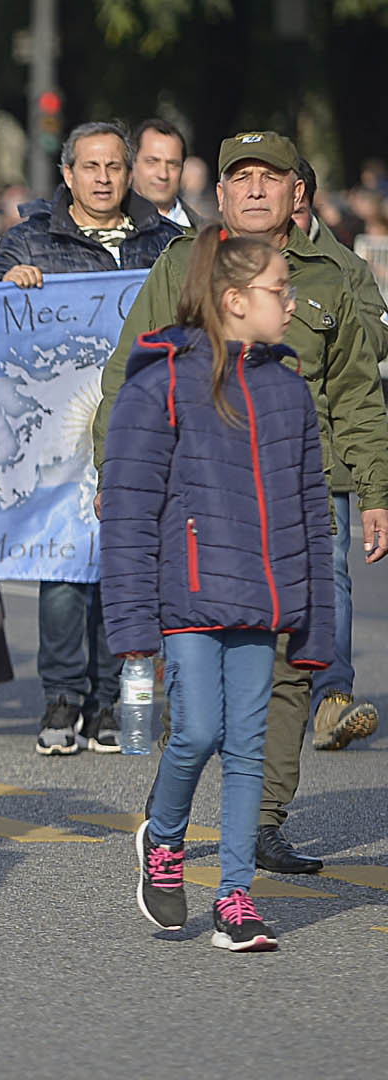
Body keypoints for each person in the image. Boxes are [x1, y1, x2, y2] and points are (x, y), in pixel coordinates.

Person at [95, 132, 388, 875]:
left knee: (294, 664)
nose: (255, 189)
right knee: (199, 700)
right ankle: (173, 821)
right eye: (241, 178)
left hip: (304, 497)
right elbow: (131, 375)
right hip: (203, 499)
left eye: (271, 177)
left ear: (298, 192)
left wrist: (378, 491)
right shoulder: (181, 265)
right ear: (220, 193)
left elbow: (358, 391)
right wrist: (116, 470)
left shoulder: (339, 274)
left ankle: (261, 825)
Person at [104, 229, 333, 952]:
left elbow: (310, 513)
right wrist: (134, 629)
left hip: (262, 604)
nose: (292, 303)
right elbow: (130, 511)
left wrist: (316, 621)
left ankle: (235, 899)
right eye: (279, 290)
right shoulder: (162, 383)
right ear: (235, 301)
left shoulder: (289, 388)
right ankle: (164, 839)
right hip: (190, 600)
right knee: (198, 730)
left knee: (247, 748)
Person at [0, 120, 183, 755]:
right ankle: (62, 700)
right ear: (67, 174)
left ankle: (112, 705)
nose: (102, 178)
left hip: (143, 426)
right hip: (56, 440)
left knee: (128, 567)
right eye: (89, 167)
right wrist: (6, 288)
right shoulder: (27, 241)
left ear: (131, 175)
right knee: (64, 567)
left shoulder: (170, 244)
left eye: (114, 167)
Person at [292, 157, 385, 754]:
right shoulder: (225, 259)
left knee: (328, 573)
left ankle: (332, 696)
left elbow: (373, 340)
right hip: (241, 449)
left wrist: (326, 320)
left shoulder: (347, 268)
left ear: (303, 196)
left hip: (322, 449)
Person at [131, 119, 195, 228]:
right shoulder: (112, 227)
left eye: (172, 164)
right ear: (133, 163)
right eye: (152, 162)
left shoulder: (207, 234)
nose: (163, 175)